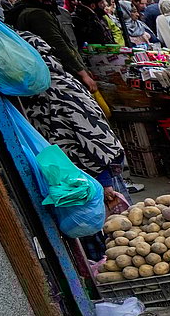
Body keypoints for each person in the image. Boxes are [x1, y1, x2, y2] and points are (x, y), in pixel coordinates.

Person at [16, 31, 127, 198]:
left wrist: (105, 181)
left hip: (94, 176)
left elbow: (97, 136)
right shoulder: (29, 95)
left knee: (114, 217)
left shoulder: (60, 87)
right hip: (67, 180)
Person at [5, 0, 96, 93]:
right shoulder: (36, 14)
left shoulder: (21, 12)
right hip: (58, 78)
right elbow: (58, 44)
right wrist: (82, 73)